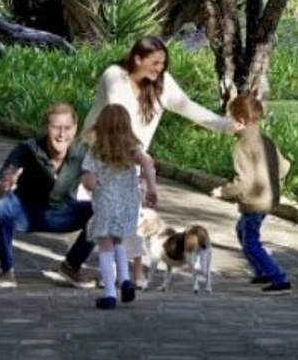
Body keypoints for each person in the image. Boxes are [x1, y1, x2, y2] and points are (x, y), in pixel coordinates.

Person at [83, 36, 235, 287]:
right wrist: (141, 158)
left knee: (127, 218)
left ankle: (126, 275)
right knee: (99, 216)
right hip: (100, 153)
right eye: (155, 63)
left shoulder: (162, 84)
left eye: (163, 63)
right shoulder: (114, 76)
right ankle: (98, 270)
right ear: (137, 59)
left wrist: (227, 126)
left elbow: (190, 108)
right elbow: (121, 119)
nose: (160, 69)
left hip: (131, 160)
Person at [0, 102, 94, 288]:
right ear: (45, 127)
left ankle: (71, 266)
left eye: (67, 128)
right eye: (55, 127)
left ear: (75, 129)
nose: (61, 134)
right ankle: (6, 269)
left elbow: (97, 179)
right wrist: (2, 187)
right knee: (0, 205)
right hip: (25, 213)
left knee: (103, 210)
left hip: (61, 213)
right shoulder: (27, 149)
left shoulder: (82, 152)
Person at [210, 93, 292, 293]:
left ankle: (278, 277)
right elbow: (284, 167)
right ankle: (261, 271)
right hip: (268, 199)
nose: (228, 122)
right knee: (242, 231)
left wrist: (222, 191)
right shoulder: (266, 140)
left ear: (241, 121)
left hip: (254, 203)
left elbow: (243, 182)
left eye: (230, 118)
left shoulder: (241, 146)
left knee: (251, 241)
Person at [81, 104, 158, 309]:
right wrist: (152, 188)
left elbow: (88, 181)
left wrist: (94, 185)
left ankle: (109, 294)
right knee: (118, 241)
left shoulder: (95, 152)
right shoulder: (133, 149)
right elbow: (148, 165)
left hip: (106, 203)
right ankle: (125, 280)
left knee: (105, 247)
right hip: (128, 204)